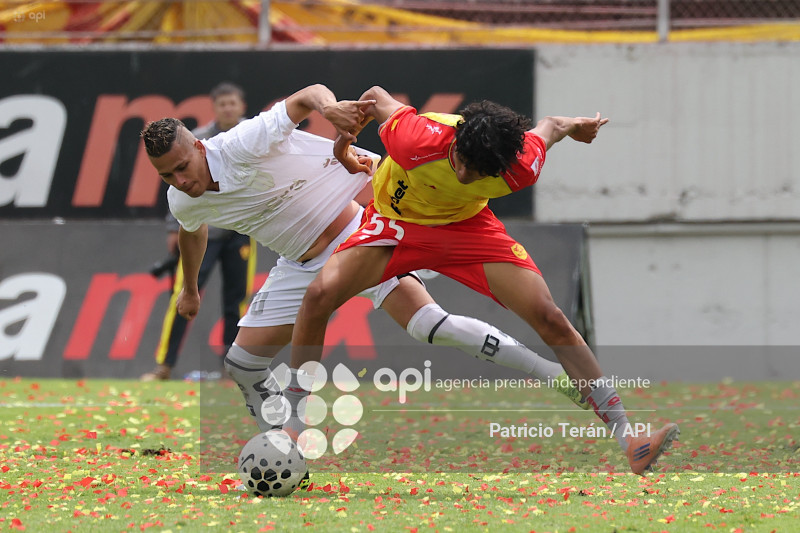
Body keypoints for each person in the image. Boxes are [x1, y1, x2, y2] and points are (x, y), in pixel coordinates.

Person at [139, 83, 588, 436]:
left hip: (363, 233)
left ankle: (550, 373)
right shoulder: (183, 198)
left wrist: (330, 107)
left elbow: (305, 96)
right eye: (167, 175)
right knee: (242, 364)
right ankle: (284, 443)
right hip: (297, 264)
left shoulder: (240, 143)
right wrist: (191, 288)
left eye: (183, 166)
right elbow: (192, 229)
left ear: (198, 147)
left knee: (430, 326)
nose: (180, 179)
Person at [289, 86, 680, 475]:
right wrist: (342, 136)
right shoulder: (415, 135)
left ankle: (630, 439)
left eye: (476, 173)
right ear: (456, 142)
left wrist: (574, 126)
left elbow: (551, 126)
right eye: (460, 161)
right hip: (396, 224)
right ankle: (292, 426)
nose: (462, 174)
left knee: (550, 317)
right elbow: (375, 96)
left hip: (467, 229)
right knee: (319, 296)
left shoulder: (522, 164)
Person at [142, 82, 255, 381]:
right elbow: (177, 187)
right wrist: (172, 227)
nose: (228, 108)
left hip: (240, 232)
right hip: (203, 232)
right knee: (185, 296)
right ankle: (164, 365)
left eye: (233, 103)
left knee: (237, 301)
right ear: (215, 108)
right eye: (223, 104)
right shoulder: (197, 139)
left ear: (241, 106)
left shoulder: (252, 134)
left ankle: (232, 368)